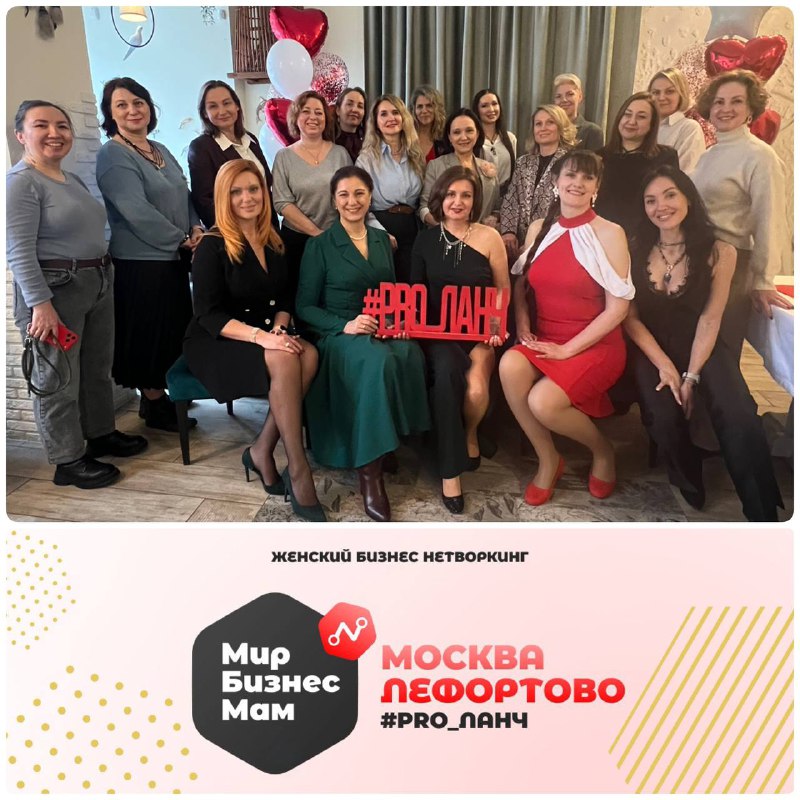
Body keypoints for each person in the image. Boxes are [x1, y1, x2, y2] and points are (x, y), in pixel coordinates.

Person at [625, 166, 782, 521]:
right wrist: (667, 367)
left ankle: (762, 509)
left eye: (670, 195)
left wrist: (691, 377)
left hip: (703, 342)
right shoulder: (634, 249)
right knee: (663, 413)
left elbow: (711, 318)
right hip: (652, 347)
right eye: (651, 200)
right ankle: (687, 473)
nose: (661, 206)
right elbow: (630, 319)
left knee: (737, 410)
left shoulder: (720, 251)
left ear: (688, 199)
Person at [7, 99, 147, 489]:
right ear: (21, 135)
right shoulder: (21, 182)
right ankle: (67, 459)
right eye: (41, 125)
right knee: (58, 378)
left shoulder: (70, 179)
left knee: (96, 368)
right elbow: (18, 250)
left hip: (96, 280)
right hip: (56, 290)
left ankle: (100, 433)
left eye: (62, 126)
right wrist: (40, 305)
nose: (55, 133)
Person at [184, 160, 324, 522]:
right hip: (218, 339)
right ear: (223, 197)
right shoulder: (212, 246)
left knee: (308, 354)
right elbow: (208, 314)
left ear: (265, 193)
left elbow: (285, 297)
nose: (247, 198)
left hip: (263, 330)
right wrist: (264, 339)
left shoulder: (273, 239)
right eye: (236, 191)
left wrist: (279, 329)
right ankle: (298, 469)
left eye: (254, 189)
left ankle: (261, 450)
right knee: (285, 357)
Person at [295, 166, 430, 522]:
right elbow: (304, 307)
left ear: (370, 197)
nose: (352, 201)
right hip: (338, 332)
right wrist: (346, 325)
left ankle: (388, 443)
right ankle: (369, 472)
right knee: (375, 362)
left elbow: (390, 293)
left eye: (359, 193)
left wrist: (396, 322)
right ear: (334, 201)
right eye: (344, 195)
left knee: (409, 353)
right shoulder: (319, 245)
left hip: (379, 327)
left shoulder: (382, 241)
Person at [499, 151, 634, 505]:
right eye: (570, 175)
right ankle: (548, 459)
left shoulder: (611, 233)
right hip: (547, 338)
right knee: (509, 364)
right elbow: (521, 284)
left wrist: (567, 350)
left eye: (587, 178)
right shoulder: (538, 228)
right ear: (556, 183)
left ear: (596, 187)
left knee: (542, 402)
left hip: (595, 344)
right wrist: (523, 325)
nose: (578, 183)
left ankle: (602, 451)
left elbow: (619, 308)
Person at [95, 77, 203, 432]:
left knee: (171, 330)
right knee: (147, 334)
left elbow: (184, 194)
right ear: (110, 114)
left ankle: (161, 395)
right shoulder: (113, 154)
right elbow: (135, 211)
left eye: (138, 102)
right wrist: (180, 238)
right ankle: (154, 405)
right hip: (141, 262)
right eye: (122, 105)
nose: (132, 110)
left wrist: (196, 228)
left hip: (173, 257)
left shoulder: (159, 149)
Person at [411, 167, 509, 513]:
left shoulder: (490, 237)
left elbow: (502, 289)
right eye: (451, 194)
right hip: (438, 335)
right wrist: (406, 324)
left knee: (477, 391)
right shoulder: (424, 240)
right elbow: (415, 294)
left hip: (480, 333)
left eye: (466, 195)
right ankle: (449, 472)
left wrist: (496, 326)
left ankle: (469, 433)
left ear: (475, 201)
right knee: (447, 371)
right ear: (439, 198)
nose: (458, 202)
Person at [692, 68, 792, 355]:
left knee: (720, 350)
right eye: (719, 102)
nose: (726, 109)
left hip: (734, 267)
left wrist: (763, 280)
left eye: (736, 101)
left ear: (751, 109)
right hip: (701, 259)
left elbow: (769, 220)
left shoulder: (760, 156)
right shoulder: (708, 155)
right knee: (695, 346)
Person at [271, 90, 351, 304]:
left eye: (319, 112)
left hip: (336, 238)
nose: (313, 117)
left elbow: (349, 197)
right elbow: (281, 202)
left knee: (333, 298)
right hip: (297, 241)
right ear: (296, 117)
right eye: (306, 111)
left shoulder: (340, 154)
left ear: (326, 119)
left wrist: (333, 235)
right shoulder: (283, 157)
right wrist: (316, 233)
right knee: (301, 300)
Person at [355, 95, 426, 283]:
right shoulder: (367, 159)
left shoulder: (416, 155)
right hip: (381, 227)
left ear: (403, 118)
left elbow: (422, 198)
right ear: (376, 122)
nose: (390, 118)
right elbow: (360, 203)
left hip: (412, 229)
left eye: (395, 112)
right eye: (383, 114)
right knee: (385, 290)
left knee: (412, 287)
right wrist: (379, 232)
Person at [187, 79, 274, 229]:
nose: (222, 111)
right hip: (233, 233)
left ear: (237, 106)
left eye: (227, 103)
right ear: (205, 113)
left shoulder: (250, 139)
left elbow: (265, 185)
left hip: (267, 227)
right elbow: (204, 202)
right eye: (213, 106)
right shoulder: (201, 147)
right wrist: (239, 232)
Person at [499, 105, 576, 264]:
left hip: (552, 242)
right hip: (518, 243)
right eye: (538, 124)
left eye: (550, 122)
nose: (543, 128)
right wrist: (508, 232)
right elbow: (511, 199)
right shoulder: (523, 162)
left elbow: (569, 208)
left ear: (561, 126)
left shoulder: (571, 164)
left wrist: (534, 241)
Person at [594, 92, 678, 235]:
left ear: (652, 124)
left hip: (645, 235)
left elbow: (670, 201)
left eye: (641, 117)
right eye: (627, 114)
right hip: (602, 234)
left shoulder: (665, 157)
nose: (631, 121)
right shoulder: (599, 156)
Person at [419, 108, 499, 226]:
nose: (464, 137)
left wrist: (490, 221)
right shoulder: (435, 166)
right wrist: (447, 228)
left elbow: (496, 208)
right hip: (445, 234)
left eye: (469, 131)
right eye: (457, 132)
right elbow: (424, 208)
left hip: (480, 234)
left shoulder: (488, 167)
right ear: (449, 137)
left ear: (477, 134)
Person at [648, 67, 706, 172]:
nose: (661, 98)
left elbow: (685, 174)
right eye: (656, 92)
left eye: (669, 91)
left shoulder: (689, 128)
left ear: (681, 94)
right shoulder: (644, 126)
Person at [472, 89, 517, 194]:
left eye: (494, 104)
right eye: (484, 106)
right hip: (481, 195)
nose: (491, 109)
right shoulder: (472, 139)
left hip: (506, 196)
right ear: (477, 110)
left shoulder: (510, 138)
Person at [553, 73, 604, 151]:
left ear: (580, 97)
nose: (564, 100)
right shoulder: (547, 129)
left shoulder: (592, 131)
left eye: (570, 94)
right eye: (558, 96)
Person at [410, 85, 447, 162]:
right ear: (414, 110)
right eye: (420, 107)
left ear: (437, 109)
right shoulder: (406, 137)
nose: (424, 111)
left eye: (429, 106)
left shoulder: (445, 139)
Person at [333, 86, 367, 162]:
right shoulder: (328, 140)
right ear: (338, 110)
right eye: (349, 104)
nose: (355, 110)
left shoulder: (368, 142)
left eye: (360, 106)